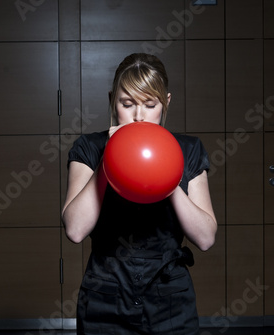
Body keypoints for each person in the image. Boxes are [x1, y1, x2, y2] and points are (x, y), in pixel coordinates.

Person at [61, 53, 217, 334]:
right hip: (104, 296)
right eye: (127, 103)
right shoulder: (89, 147)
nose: (138, 115)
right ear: (113, 100)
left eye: (150, 104)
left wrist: (166, 173)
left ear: (165, 103)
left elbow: (205, 239)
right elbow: (74, 230)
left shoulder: (189, 149)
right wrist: (110, 159)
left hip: (170, 300)